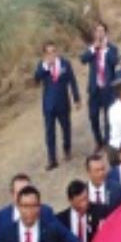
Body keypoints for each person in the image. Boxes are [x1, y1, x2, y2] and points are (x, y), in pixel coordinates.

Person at [34, 40, 80, 170]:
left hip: (63, 102)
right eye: (49, 52)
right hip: (48, 104)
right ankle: (52, 159)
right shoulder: (42, 65)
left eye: (53, 51)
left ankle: (67, 149)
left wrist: (76, 98)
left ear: (57, 51)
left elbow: (72, 81)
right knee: (49, 132)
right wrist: (46, 67)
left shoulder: (65, 64)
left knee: (66, 128)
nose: (52, 54)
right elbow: (36, 78)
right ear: (44, 54)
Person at [80, 22, 118, 149]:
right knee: (93, 116)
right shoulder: (92, 49)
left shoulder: (112, 48)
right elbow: (83, 59)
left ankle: (108, 140)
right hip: (94, 88)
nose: (99, 33)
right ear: (95, 34)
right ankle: (98, 140)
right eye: (97, 31)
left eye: (102, 31)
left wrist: (105, 49)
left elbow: (114, 62)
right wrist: (93, 48)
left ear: (105, 33)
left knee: (109, 116)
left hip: (108, 88)